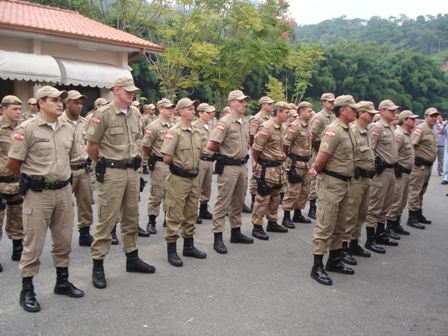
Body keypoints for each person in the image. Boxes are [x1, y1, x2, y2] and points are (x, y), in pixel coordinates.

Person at [7, 86, 84, 312]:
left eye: (61, 100)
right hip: (38, 194)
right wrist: (31, 178)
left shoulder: (67, 128)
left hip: (62, 192)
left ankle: (62, 281)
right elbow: (13, 163)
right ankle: (27, 289)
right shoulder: (27, 128)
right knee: (33, 244)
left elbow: (71, 158)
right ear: (41, 103)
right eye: (54, 100)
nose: (60, 103)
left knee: (63, 240)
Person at [86, 76, 155, 290]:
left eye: (132, 90)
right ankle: (98, 265)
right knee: (107, 220)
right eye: (127, 90)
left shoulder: (134, 114)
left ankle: (132, 258)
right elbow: (91, 147)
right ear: (116, 91)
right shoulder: (103, 114)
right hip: (112, 172)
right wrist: (105, 165)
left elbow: (136, 142)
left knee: (131, 216)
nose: (131, 93)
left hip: (131, 172)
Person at [308, 95, 358, 286]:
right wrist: (318, 170)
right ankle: (317, 266)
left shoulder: (348, 130)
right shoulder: (334, 130)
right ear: (343, 109)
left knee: (340, 224)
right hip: (332, 182)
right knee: (325, 224)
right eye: (352, 108)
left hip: (344, 183)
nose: (356, 111)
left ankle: (334, 260)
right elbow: (320, 159)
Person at [160, 97, 207, 267]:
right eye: (189, 109)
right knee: (174, 215)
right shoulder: (174, 131)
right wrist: (182, 167)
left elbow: (200, 153)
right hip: (178, 179)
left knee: (191, 213)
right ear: (180, 112)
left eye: (194, 108)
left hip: (193, 178)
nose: (193, 111)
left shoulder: (195, 130)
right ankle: (171, 250)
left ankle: (189, 245)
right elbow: (167, 158)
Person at [207, 90, 254, 254]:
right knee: (223, 202)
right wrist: (223, 153)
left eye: (245, 101)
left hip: (242, 166)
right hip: (228, 166)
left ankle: (236, 232)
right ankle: (218, 236)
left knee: (239, 201)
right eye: (240, 101)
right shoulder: (224, 122)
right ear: (231, 103)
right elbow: (212, 144)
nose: (244, 104)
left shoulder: (245, 123)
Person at [341, 101, 378, 265]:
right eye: (370, 113)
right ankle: (343, 246)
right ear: (361, 113)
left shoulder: (366, 131)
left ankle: (354, 242)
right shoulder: (353, 131)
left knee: (362, 213)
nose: (373, 115)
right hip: (355, 179)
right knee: (350, 214)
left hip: (366, 179)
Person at [364, 99, 400, 254]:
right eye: (390, 110)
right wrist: (375, 163)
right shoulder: (377, 128)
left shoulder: (391, 127)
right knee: (375, 205)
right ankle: (370, 238)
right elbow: (370, 148)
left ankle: (380, 232)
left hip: (391, 171)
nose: (394, 112)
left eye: (394, 110)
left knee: (386, 204)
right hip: (381, 172)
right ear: (382, 111)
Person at [251, 101, 290, 240]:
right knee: (263, 198)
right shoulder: (267, 127)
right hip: (267, 168)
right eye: (286, 112)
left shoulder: (281, 127)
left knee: (276, 196)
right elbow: (256, 148)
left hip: (278, 169)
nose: (289, 115)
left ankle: (272, 222)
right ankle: (257, 226)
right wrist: (256, 162)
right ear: (278, 112)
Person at [62, 90, 94, 246]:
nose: (79, 106)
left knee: (85, 203)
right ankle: (63, 237)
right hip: (67, 170)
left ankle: (85, 233)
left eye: (81, 103)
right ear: (67, 103)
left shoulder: (84, 122)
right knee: (64, 206)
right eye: (75, 102)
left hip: (83, 168)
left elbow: (90, 143)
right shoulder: (59, 122)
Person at [142, 98, 176, 234]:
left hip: (172, 164)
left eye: (172, 108)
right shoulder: (153, 127)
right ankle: (151, 221)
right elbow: (145, 147)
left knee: (171, 193)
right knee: (156, 193)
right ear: (160, 109)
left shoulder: (174, 125)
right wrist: (154, 157)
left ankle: (168, 218)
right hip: (159, 163)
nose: (171, 110)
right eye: (168, 108)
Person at [0, 95, 25, 273]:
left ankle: (18, 249)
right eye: (14, 109)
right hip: (0, 183)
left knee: (18, 219)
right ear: (3, 109)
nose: (18, 112)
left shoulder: (22, 128)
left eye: (19, 109)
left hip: (16, 182)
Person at [282, 101, 313, 229]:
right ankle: (286, 216)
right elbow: (285, 144)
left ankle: (298, 213)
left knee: (304, 190)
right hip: (296, 163)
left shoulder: (308, 126)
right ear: (301, 112)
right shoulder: (295, 126)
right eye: (309, 111)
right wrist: (289, 157)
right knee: (293, 190)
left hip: (306, 163)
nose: (311, 113)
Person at [385, 110, 418, 233]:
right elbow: (393, 152)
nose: (414, 121)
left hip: (407, 172)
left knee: (402, 201)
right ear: (404, 120)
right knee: (396, 201)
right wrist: (396, 166)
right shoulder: (399, 134)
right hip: (400, 172)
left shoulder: (407, 134)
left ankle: (396, 223)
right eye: (412, 119)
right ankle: (390, 226)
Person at [407, 107, 438, 228]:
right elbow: (411, 145)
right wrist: (414, 158)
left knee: (422, 190)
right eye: (432, 116)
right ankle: (412, 215)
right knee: (415, 190)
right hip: (420, 165)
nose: (434, 118)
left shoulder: (433, 131)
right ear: (426, 117)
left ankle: (418, 212)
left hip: (428, 166)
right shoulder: (420, 129)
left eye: (436, 116)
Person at [308, 93, 336, 220]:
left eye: (333, 101)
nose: (332, 103)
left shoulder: (333, 117)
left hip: (328, 151)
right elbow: (312, 135)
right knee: (315, 177)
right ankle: (312, 206)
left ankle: (321, 204)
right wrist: (312, 149)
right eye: (329, 101)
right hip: (318, 150)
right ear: (323, 102)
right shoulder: (319, 117)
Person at [248, 96, 275, 211]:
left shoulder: (270, 118)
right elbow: (251, 137)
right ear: (263, 105)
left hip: (268, 153)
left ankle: (263, 199)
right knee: (256, 176)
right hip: (258, 151)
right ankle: (254, 199)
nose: (271, 106)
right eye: (269, 104)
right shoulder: (257, 119)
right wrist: (255, 156)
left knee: (265, 176)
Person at [193, 103, 215, 224]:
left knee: (207, 187)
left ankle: (203, 209)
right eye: (207, 113)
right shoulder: (195, 126)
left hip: (210, 160)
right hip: (200, 159)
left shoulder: (210, 126)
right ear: (200, 113)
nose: (210, 115)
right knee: (197, 186)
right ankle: (193, 212)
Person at [141, 103, 157, 175]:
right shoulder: (145, 118)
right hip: (147, 135)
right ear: (149, 109)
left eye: (154, 109)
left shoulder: (155, 118)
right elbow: (142, 126)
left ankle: (150, 163)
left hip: (154, 136)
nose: (153, 111)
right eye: (152, 109)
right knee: (145, 150)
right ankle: (144, 165)